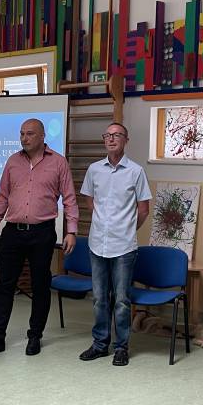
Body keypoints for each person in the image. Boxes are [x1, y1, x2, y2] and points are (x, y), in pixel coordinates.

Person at [0, 118, 79, 358]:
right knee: (5, 285)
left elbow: (69, 199)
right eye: (22, 133)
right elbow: (2, 195)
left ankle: (35, 336)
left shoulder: (58, 163)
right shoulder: (13, 161)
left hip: (42, 232)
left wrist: (72, 231)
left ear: (43, 136)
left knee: (40, 285)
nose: (24, 138)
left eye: (30, 134)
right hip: (13, 232)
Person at [78, 122, 151, 366]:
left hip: (124, 246)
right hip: (97, 242)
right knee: (99, 298)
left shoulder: (136, 171)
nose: (111, 139)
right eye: (107, 135)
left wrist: (126, 228)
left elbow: (143, 209)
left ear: (126, 140)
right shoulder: (94, 169)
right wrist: (104, 223)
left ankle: (121, 347)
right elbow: (89, 200)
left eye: (116, 135)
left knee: (121, 300)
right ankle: (100, 344)